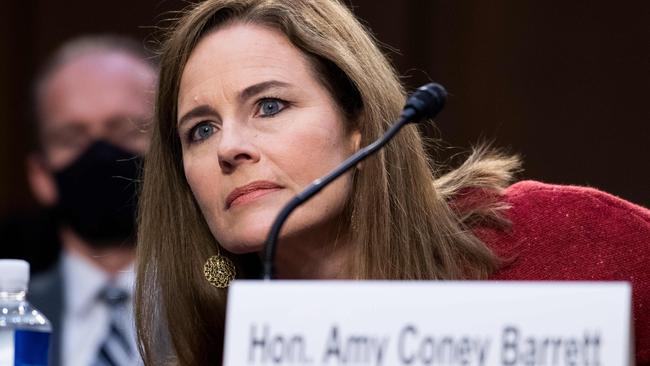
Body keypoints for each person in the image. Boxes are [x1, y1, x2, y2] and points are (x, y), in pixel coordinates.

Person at [134, 1, 650, 365]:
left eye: (270, 106)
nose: (229, 148)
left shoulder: (564, 242)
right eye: (201, 130)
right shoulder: (218, 351)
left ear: (358, 125)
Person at [26, 36, 156, 366]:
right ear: (40, 176)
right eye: (72, 138)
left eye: (126, 130)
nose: (100, 153)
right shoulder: (10, 314)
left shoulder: (227, 304)